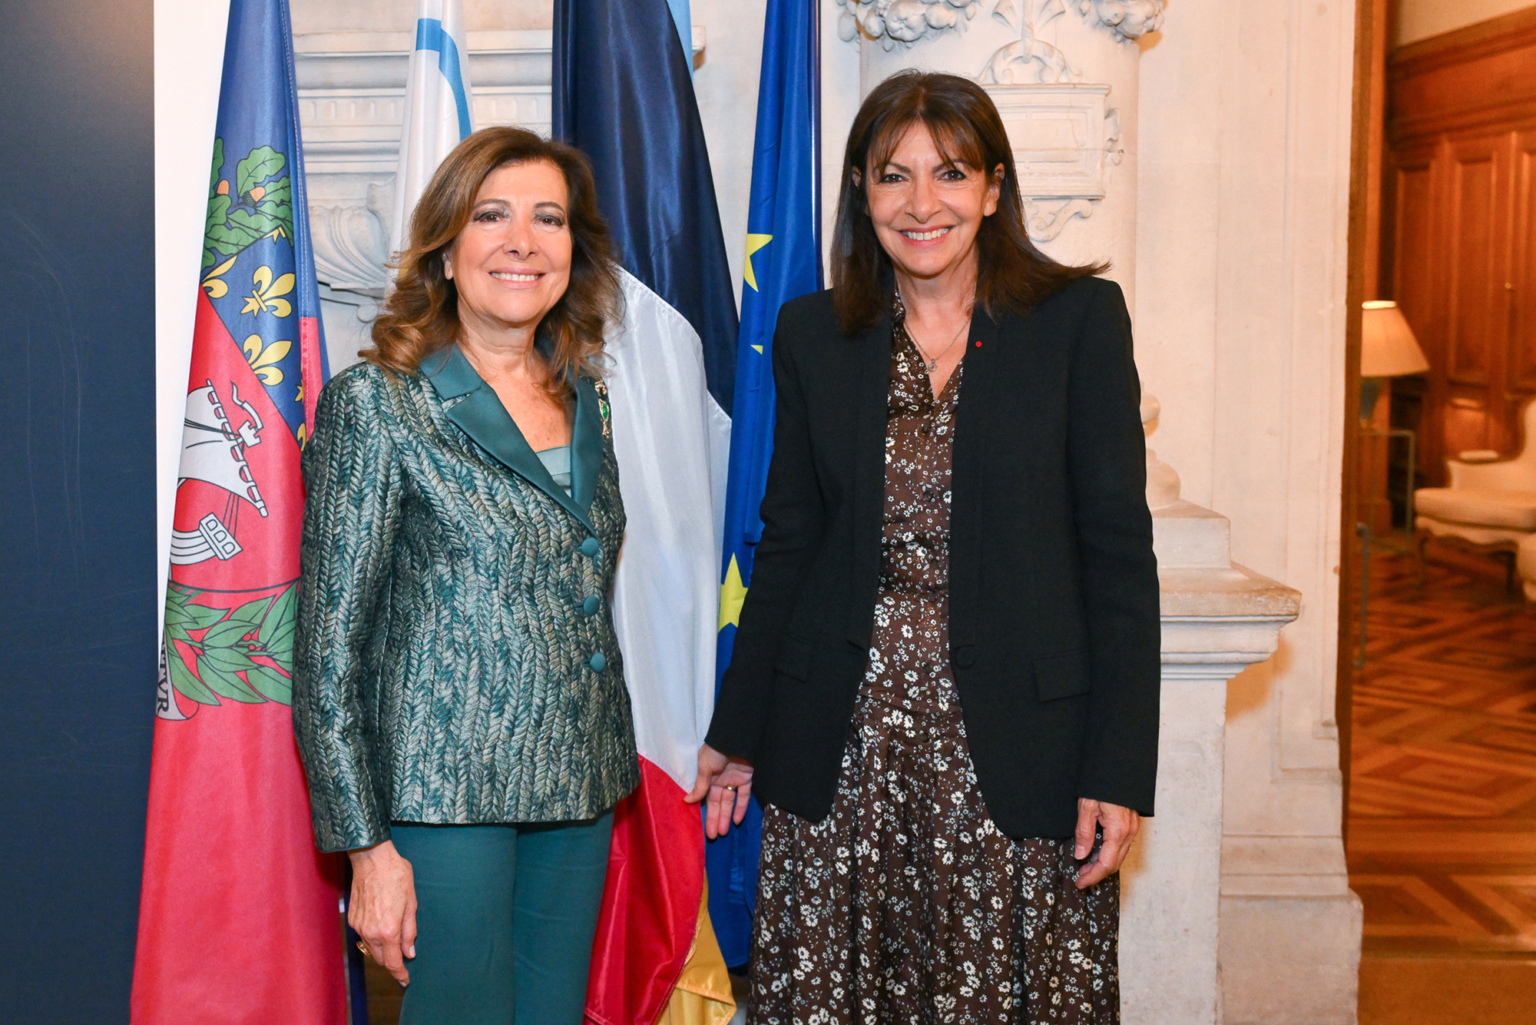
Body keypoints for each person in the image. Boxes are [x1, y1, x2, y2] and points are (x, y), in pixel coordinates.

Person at [688, 71, 1161, 1024]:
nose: (921, 203)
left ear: (993, 187)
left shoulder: (1076, 324)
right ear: (862, 191)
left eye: (949, 173)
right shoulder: (814, 333)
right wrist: (738, 731)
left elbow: (1118, 557)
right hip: (844, 741)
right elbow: (790, 542)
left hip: (1022, 745)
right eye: (892, 175)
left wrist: (1117, 767)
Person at [292, 126, 636, 1025]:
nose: (523, 240)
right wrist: (366, 846)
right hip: (441, 800)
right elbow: (328, 649)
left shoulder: (584, 393)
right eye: (493, 215)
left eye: (549, 219)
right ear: (446, 249)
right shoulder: (379, 402)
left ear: (574, 250)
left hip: (579, 782)